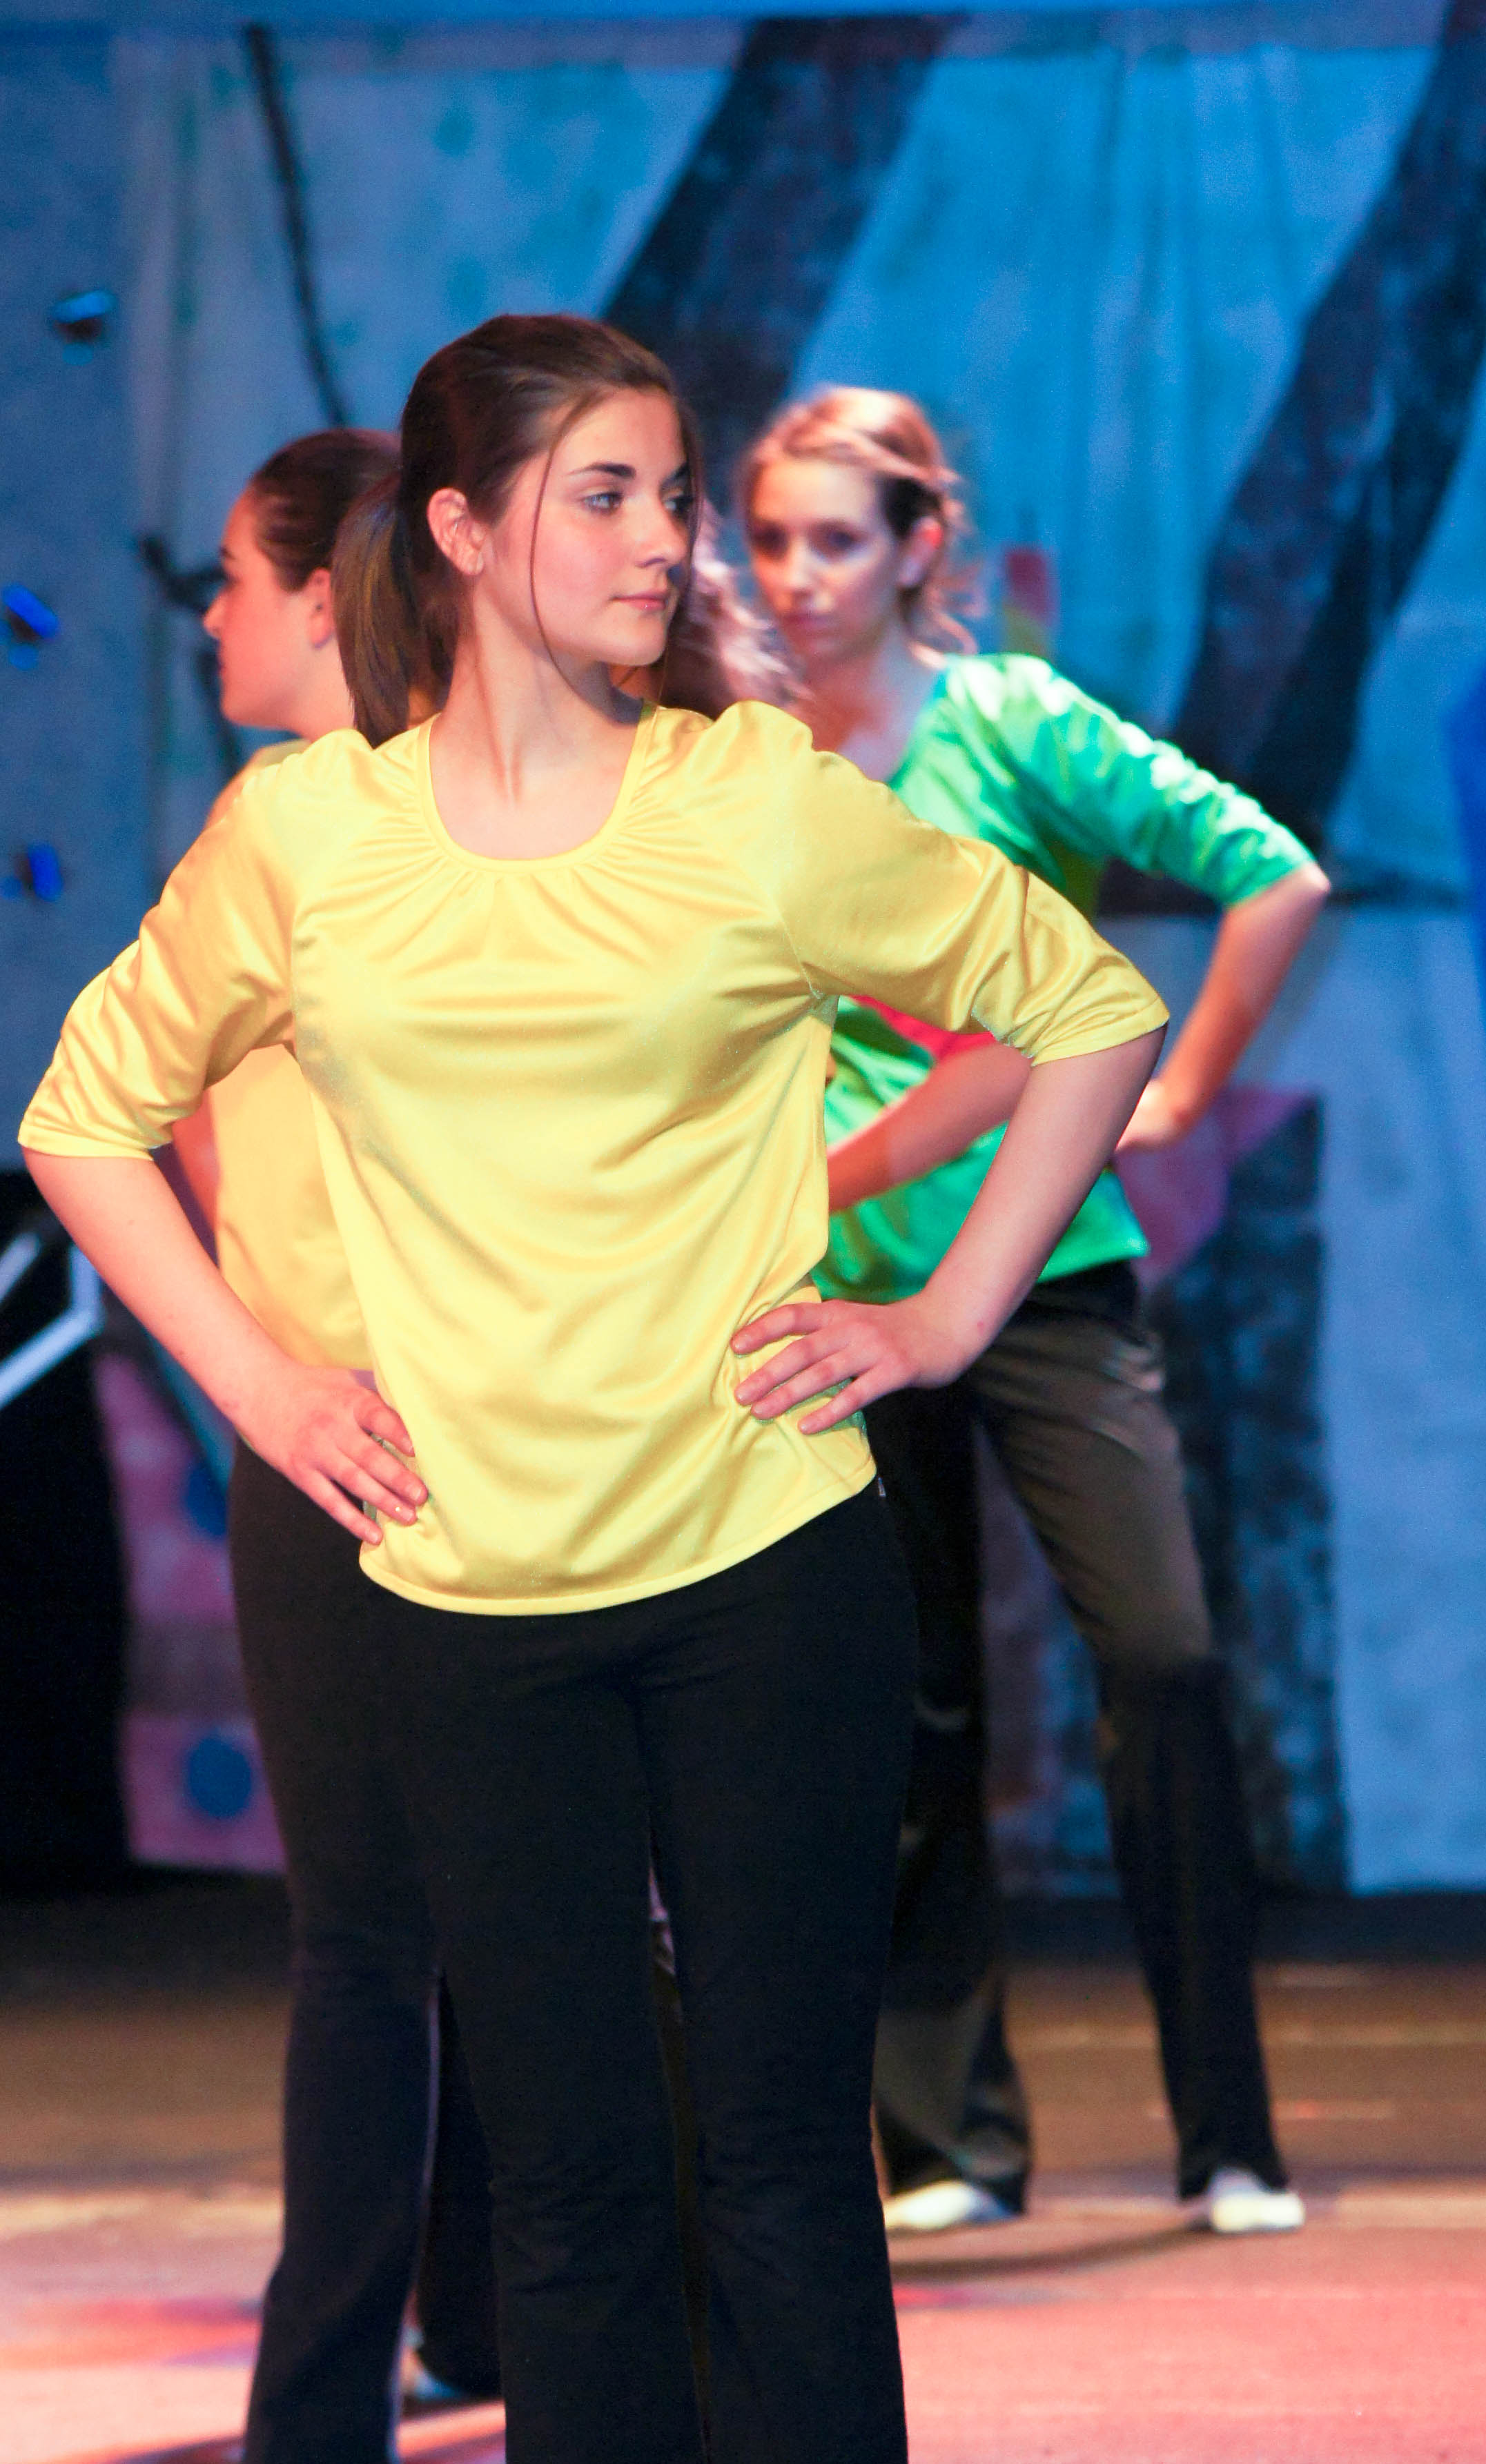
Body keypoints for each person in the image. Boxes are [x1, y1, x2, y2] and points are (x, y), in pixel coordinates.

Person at [22, 313, 1167, 2464]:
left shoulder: (751, 801)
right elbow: (84, 1117)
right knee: (568, 2201)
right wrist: (267, 1388)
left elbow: (1087, 1007)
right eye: (608, 494)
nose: (665, 539)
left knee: (786, 2177)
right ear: (462, 533)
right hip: (468, 1599)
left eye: (673, 491)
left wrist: (937, 1322)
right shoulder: (308, 836)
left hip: (767, 1571)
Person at [740, 385, 1331, 2238]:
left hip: (1044, 1267)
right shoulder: (737, 763)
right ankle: (947, 2142)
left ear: (922, 547)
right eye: (771, 539)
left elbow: (1272, 873)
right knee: (900, 1711)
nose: (798, 575)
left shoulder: (1006, 719)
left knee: (1162, 1656)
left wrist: (1182, 1085)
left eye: (838, 538)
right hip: (838, 1298)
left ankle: (1228, 2135)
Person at [175, 426, 505, 2452]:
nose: (210, 615)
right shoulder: (458, 801)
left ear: (321, 597)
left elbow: (122, 1103)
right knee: (478, 1918)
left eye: (230, 577)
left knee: (380, 1937)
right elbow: (169, 1103)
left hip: (360, 1436)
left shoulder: (301, 817)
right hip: (413, 1418)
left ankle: (323, 2408)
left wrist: (272, 1359)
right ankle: (477, 2326)